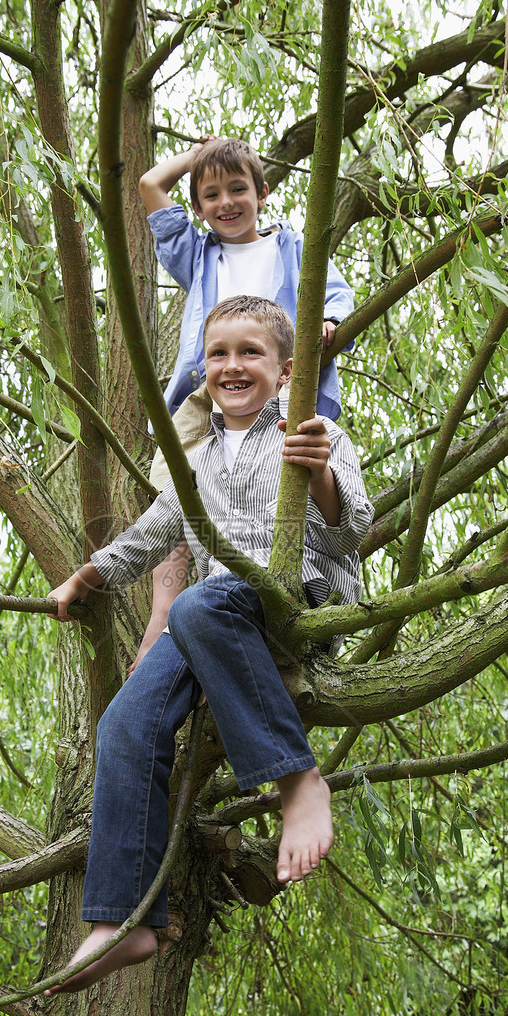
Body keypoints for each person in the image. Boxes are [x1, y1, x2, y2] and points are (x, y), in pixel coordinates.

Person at [46, 297, 373, 993]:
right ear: (202, 369)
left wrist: (317, 473)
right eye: (218, 353)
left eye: (250, 352)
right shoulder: (190, 457)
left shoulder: (313, 429)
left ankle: (297, 778)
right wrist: (91, 571)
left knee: (198, 603)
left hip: (290, 595)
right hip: (212, 617)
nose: (232, 365)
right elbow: (153, 533)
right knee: (125, 721)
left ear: (287, 370)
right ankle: (123, 916)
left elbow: (354, 533)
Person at [132, 136, 354, 671]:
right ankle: (164, 621)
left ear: (263, 192)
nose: (226, 203)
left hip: (278, 388)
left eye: (238, 189)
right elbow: (148, 186)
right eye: (211, 195)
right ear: (199, 206)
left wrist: (329, 324)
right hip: (202, 392)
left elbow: (338, 298)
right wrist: (204, 153)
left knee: (272, 490)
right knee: (176, 500)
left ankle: (279, 597)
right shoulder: (197, 253)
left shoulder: (294, 248)